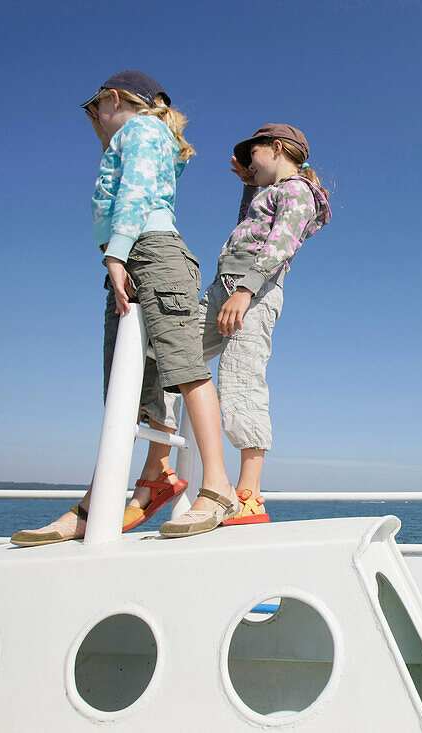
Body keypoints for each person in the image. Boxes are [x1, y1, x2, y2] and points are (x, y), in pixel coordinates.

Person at [11, 70, 240, 546]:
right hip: (136, 255)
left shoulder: (141, 129)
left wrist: (116, 251)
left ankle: (217, 488)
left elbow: (136, 191)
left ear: (113, 99)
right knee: (127, 384)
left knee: (183, 366)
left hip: (149, 251)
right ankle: (105, 499)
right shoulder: (150, 135)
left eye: (96, 112)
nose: (95, 122)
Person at [156, 124, 332, 537]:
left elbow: (280, 243)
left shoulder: (298, 190)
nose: (249, 162)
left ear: (275, 148)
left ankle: (248, 492)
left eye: (252, 154)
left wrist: (247, 290)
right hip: (224, 288)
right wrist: (247, 185)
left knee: (240, 380)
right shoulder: (265, 192)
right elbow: (246, 230)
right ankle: (160, 468)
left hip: (253, 292)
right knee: (173, 356)